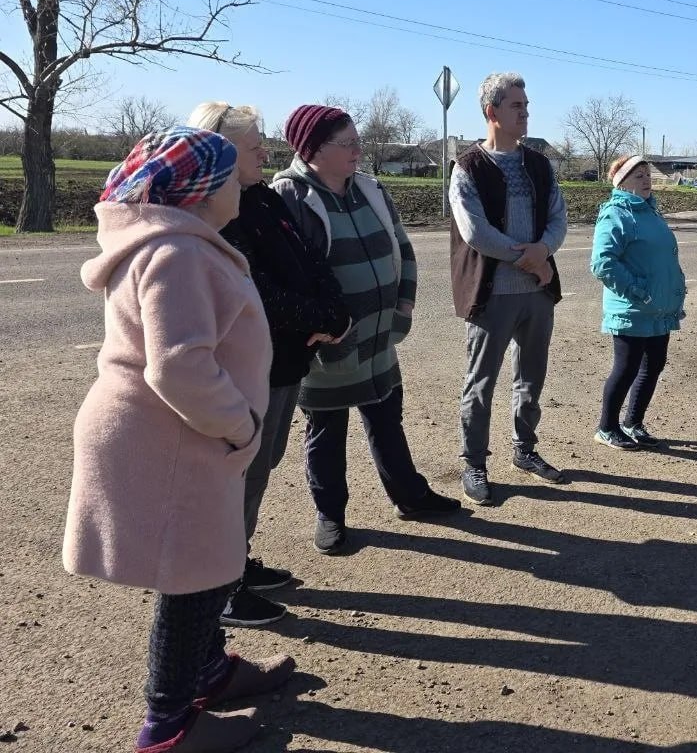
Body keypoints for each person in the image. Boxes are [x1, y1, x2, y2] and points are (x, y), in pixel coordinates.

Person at [63, 127, 295, 753]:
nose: (241, 184)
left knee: (210, 565)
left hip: (179, 435)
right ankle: (167, 729)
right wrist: (241, 424)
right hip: (175, 438)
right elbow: (178, 366)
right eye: (229, 175)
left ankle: (209, 673)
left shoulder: (178, 242)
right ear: (201, 190)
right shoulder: (179, 252)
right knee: (193, 578)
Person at [186, 102, 350, 625]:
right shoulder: (214, 213)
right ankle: (220, 586)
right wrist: (320, 317)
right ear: (219, 150)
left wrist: (336, 313)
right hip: (251, 366)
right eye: (253, 144)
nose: (265, 152)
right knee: (240, 473)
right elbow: (255, 291)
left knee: (262, 465)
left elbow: (310, 259)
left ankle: (235, 561)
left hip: (285, 362)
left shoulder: (260, 196)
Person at [272, 104, 459, 555]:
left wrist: (404, 304)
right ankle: (330, 515)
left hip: (381, 337)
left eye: (357, 141)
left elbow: (403, 249)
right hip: (329, 343)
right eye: (348, 143)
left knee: (387, 417)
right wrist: (318, 326)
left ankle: (410, 496)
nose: (359, 150)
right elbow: (285, 276)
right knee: (326, 431)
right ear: (313, 149)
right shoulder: (289, 196)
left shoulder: (371, 189)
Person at [449, 72, 568, 505]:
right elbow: (475, 232)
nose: (525, 112)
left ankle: (525, 449)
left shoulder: (538, 164)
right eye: (517, 105)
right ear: (492, 112)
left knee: (531, 378)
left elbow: (558, 218)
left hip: (537, 293)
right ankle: (474, 463)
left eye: (526, 105)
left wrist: (544, 249)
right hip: (491, 294)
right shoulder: (468, 168)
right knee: (480, 383)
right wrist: (530, 258)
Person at [589, 154, 687, 450]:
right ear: (621, 183)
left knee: (653, 365)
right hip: (632, 308)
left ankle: (633, 423)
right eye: (638, 175)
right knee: (626, 369)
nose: (646, 180)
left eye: (647, 175)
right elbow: (602, 262)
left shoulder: (649, 211)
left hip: (658, 308)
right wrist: (637, 290)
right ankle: (607, 427)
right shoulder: (616, 214)